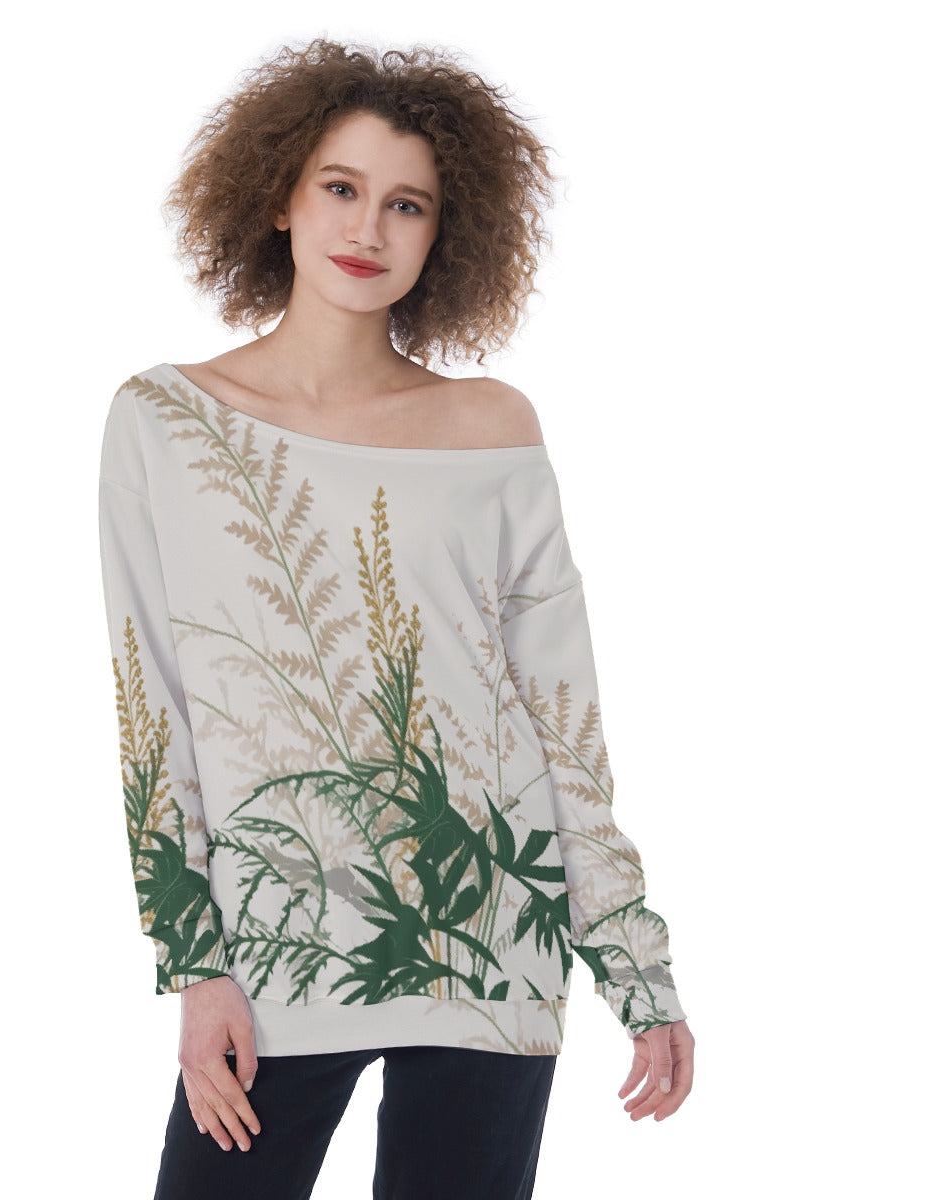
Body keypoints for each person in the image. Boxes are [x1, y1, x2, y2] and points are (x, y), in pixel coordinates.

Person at [97, 37, 695, 1200]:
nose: (368, 228)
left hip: (491, 937)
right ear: (280, 195)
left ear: (443, 233)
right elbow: (151, 703)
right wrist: (193, 965)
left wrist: (637, 969)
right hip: (272, 950)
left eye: (406, 204)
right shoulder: (165, 419)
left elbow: (561, 717)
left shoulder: (493, 426)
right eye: (341, 187)